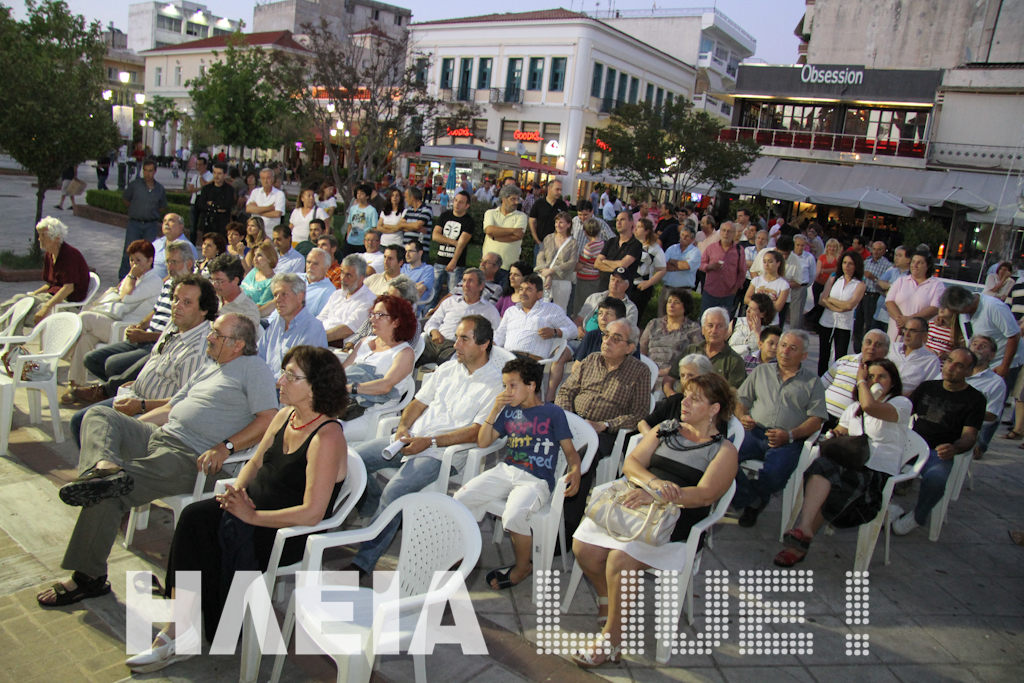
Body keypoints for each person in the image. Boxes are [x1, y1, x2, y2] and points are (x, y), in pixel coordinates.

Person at [126, 346, 348, 671]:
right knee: (195, 518)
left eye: (291, 376)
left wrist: (251, 516)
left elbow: (312, 512)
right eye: (283, 372)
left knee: (206, 532)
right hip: (251, 509)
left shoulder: (326, 438)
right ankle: (178, 628)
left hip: (285, 530)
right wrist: (237, 492)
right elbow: (256, 461)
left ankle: (187, 628)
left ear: (317, 387)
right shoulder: (286, 415)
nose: (280, 381)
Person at [36, 314, 278, 608]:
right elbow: (173, 408)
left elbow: (268, 419)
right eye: (212, 332)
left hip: (188, 455)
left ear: (238, 344)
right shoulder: (210, 365)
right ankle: (103, 469)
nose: (209, 337)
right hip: (160, 436)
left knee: (109, 492)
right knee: (99, 415)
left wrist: (226, 447)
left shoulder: (254, 370)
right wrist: (133, 426)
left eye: (217, 334)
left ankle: (88, 576)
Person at [570, 373, 738, 667]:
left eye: (695, 399)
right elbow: (632, 463)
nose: (684, 402)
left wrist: (663, 497)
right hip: (638, 507)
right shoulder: (665, 429)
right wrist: (654, 486)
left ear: (714, 409)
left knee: (620, 559)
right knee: (584, 547)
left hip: (675, 522)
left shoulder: (723, 451)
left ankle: (611, 639)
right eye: (686, 395)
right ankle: (607, 599)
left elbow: (705, 494)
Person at [349, 315, 505, 575]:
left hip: (441, 453)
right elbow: (417, 404)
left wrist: (429, 442)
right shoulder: (447, 369)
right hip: (412, 439)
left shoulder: (493, 383)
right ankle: (374, 509)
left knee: (395, 490)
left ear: (484, 344)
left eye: (464, 339)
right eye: (457, 338)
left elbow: (476, 432)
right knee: (352, 460)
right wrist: (402, 428)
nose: (456, 345)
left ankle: (362, 562)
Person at [457, 357, 581, 590]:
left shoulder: (552, 413)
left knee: (514, 515)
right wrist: (495, 408)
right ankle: (463, 552)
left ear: (532, 385)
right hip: (507, 470)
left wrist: (575, 470)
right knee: (462, 498)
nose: (507, 391)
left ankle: (523, 566)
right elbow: (483, 442)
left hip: (536, 479)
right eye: (505, 386)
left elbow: (570, 451)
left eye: (512, 385)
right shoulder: (508, 411)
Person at [773, 358, 910, 567]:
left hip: (876, 473)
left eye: (881, 376)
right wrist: (835, 433)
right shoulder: (854, 407)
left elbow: (870, 406)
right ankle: (805, 529)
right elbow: (844, 429)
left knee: (835, 485)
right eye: (870, 376)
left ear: (892, 381)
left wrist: (862, 382)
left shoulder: (900, 404)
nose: (875, 381)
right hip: (851, 466)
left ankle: (799, 543)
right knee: (821, 467)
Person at [69, 275, 218, 446]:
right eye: (175, 299)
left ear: (204, 309)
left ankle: (109, 467)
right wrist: (136, 383)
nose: (177, 306)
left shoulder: (198, 350)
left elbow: (183, 404)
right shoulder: (176, 324)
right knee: (81, 421)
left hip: (152, 415)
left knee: (83, 424)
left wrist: (140, 405)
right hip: (133, 396)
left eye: (187, 302)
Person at [556, 318, 651, 537]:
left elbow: (640, 413)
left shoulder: (639, 372)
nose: (607, 341)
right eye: (606, 335)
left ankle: (568, 526)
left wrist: (606, 425)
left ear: (630, 348)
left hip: (604, 433)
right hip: (573, 421)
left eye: (616, 338)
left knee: (581, 458)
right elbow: (565, 391)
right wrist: (567, 417)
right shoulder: (591, 360)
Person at [73, 242, 196, 404]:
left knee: (112, 364)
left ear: (188, 263)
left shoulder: (194, 290)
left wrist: (147, 336)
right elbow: (156, 311)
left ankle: (109, 392)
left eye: (174, 262)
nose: (170, 267)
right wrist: (140, 326)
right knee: (92, 359)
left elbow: (184, 333)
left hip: (162, 344)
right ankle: (117, 391)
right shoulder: (168, 284)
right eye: (168, 262)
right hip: (145, 336)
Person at [732, 329, 827, 527]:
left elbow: (816, 419)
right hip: (755, 431)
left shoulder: (812, 382)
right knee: (724, 456)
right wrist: (742, 416)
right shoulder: (762, 371)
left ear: (804, 355)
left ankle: (753, 498)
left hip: (788, 440)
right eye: (783, 346)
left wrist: (790, 435)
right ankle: (751, 499)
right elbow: (741, 399)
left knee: (775, 476)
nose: (785, 351)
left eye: (793, 348)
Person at [891, 348, 985, 536]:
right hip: (911, 445)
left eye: (959, 366)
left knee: (937, 479)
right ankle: (883, 506)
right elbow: (903, 412)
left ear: (969, 371)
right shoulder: (927, 387)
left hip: (939, 452)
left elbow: (969, 436)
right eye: (949, 361)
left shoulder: (975, 399)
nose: (950, 368)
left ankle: (917, 516)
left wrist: (955, 447)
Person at [65, 240, 162, 389]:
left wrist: (131, 276)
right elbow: (121, 291)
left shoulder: (154, 281)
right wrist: (131, 277)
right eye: (131, 260)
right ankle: (76, 384)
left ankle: (62, 351)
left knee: (84, 318)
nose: (134, 264)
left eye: (138, 260)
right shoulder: (136, 277)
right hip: (114, 320)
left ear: (150, 260)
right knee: (86, 338)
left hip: (126, 328)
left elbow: (126, 297)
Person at [340, 295, 416, 443]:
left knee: (321, 430)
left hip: (372, 413)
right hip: (344, 405)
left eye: (380, 315)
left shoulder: (404, 353)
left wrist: (351, 388)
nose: (372, 319)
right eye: (372, 314)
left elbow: (385, 386)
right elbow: (342, 373)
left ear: (396, 321)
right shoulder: (364, 343)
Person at [0, 217, 89, 331]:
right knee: (18, 300)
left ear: (56, 238)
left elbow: (68, 288)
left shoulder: (70, 255)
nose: (39, 239)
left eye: (43, 235)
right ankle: (7, 341)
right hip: (50, 298)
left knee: (20, 311)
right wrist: (33, 295)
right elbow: (50, 284)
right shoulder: (49, 254)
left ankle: (10, 343)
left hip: (66, 305)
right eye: (39, 235)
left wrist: (46, 307)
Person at [940, 284, 1021, 383]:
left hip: (1003, 363)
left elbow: (1014, 336)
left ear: (965, 306)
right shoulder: (964, 312)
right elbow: (969, 338)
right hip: (980, 365)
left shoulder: (994, 307)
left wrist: (1004, 366)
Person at [420, 269, 501, 366]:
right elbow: (432, 321)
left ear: (481, 286)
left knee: (449, 367)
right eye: (464, 280)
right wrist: (434, 331)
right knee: (409, 358)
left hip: (457, 348)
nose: (466, 285)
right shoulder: (450, 301)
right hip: (434, 342)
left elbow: (497, 333)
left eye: (470, 281)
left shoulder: (489, 310)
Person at [258, 273, 328, 379]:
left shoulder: (312, 328)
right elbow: (258, 355)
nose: (278, 299)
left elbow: (297, 375)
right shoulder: (277, 323)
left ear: (300, 297)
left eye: (284, 294)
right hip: (266, 385)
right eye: (275, 295)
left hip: (289, 391)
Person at [666, 307, 747, 393]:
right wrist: (671, 395)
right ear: (703, 330)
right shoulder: (691, 350)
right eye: (710, 325)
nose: (714, 330)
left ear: (726, 330)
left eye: (719, 326)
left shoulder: (734, 361)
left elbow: (733, 396)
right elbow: (670, 378)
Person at [822, 330, 891, 429]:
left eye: (878, 345)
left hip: (849, 425)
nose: (872, 347)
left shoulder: (886, 374)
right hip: (821, 415)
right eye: (868, 342)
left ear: (886, 351)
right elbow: (820, 386)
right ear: (862, 345)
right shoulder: (845, 360)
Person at [817, 251, 867, 375]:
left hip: (844, 325)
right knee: (824, 354)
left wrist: (832, 300)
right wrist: (838, 307)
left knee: (840, 356)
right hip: (827, 321)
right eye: (844, 263)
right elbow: (822, 299)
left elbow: (850, 305)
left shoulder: (860, 285)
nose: (847, 266)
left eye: (850, 264)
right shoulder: (834, 278)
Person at [637, 353, 714, 434]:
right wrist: (652, 440)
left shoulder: (712, 405)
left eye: (690, 375)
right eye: (682, 375)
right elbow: (643, 423)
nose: (685, 380)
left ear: (705, 377)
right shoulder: (675, 400)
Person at [639, 287, 703, 381]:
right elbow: (642, 350)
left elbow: (696, 356)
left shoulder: (692, 328)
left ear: (685, 306)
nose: (671, 305)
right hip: (649, 372)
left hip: (674, 376)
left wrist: (667, 372)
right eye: (669, 302)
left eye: (676, 302)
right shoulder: (653, 324)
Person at [120, 159, 167, 279]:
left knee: (147, 253)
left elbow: (162, 206)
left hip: (150, 225)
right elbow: (126, 199)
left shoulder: (159, 188)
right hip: (134, 224)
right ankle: (123, 278)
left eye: (150, 171)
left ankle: (144, 278)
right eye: (145, 171)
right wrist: (136, 209)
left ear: (155, 171)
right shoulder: (135, 185)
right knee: (129, 251)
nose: (147, 174)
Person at [317, 254, 376, 347]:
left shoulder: (368, 301)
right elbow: (320, 319)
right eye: (342, 273)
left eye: (348, 275)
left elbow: (347, 330)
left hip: (339, 346)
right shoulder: (337, 294)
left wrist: (316, 337)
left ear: (361, 278)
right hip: (321, 339)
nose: (343, 278)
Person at [885, 250, 944, 340]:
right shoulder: (901, 281)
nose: (915, 266)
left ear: (927, 265)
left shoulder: (937, 285)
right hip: (896, 334)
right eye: (913, 262)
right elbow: (889, 301)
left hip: (919, 336)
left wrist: (910, 320)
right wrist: (900, 320)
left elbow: (934, 308)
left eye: (919, 263)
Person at [964, 335, 1007, 459]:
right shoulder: (953, 370)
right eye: (974, 344)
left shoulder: (995, 382)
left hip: (970, 431)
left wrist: (961, 412)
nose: (977, 347)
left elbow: (992, 415)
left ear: (992, 355)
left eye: (983, 346)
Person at [573, 268, 638, 338]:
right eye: (613, 280)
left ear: (626, 286)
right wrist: (578, 329)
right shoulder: (594, 297)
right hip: (583, 339)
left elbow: (627, 333)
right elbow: (579, 320)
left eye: (619, 281)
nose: (615, 284)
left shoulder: (630, 309)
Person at [535, 211, 578, 311]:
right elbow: (540, 256)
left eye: (561, 222)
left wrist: (553, 270)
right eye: (556, 222)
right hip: (545, 279)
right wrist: (547, 274)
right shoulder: (548, 238)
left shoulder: (572, 242)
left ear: (568, 225)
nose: (558, 225)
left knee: (560, 310)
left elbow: (571, 262)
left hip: (562, 280)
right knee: (541, 307)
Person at [888, 316, 941, 395]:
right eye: (905, 329)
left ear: (924, 335)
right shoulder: (892, 348)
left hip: (906, 401)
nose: (907, 334)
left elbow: (927, 389)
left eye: (913, 331)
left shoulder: (931, 360)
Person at [483, 184, 528, 274]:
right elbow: (489, 230)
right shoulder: (490, 213)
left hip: (509, 266)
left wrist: (495, 237)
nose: (516, 202)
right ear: (503, 199)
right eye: (513, 199)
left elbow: (518, 236)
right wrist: (512, 230)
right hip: (488, 264)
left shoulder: (521, 216)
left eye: (517, 199)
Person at [208, 253, 260, 328]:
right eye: (212, 280)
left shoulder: (248, 311)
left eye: (219, 281)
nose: (214, 285)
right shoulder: (211, 299)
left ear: (235, 281)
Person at [595, 211, 642, 292]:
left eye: (622, 220)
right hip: (602, 288)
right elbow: (596, 264)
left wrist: (605, 261)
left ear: (631, 222)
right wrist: (617, 271)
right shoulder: (611, 241)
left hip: (621, 292)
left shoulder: (635, 245)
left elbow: (623, 264)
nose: (618, 223)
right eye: (617, 220)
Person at [573, 297, 628, 363]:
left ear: (620, 319)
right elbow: (576, 366)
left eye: (608, 314)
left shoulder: (628, 341)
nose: (603, 318)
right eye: (600, 313)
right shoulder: (591, 336)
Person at [573, 216, 610, 311]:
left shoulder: (589, 247)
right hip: (596, 277)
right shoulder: (602, 243)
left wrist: (571, 268)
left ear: (586, 232)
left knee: (581, 304)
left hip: (585, 279)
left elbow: (581, 264)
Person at [632, 217, 667, 316]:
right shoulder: (632, 244)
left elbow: (662, 269)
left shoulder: (654, 248)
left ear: (646, 231)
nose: (636, 229)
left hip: (641, 288)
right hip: (628, 285)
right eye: (636, 226)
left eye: (639, 227)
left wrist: (648, 283)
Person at [745, 249, 789, 325]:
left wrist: (757, 305)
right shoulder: (756, 280)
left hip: (771, 322)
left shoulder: (783, 284)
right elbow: (746, 299)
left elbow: (778, 307)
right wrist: (767, 304)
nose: (766, 264)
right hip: (753, 320)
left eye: (770, 261)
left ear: (778, 263)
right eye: (764, 262)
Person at [872, 245, 910, 332]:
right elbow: (878, 283)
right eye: (896, 255)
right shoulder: (892, 271)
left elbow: (900, 293)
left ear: (908, 259)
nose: (896, 258)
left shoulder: (909, 277)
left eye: (900, 256)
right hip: (879, 314)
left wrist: (889, 286)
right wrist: (890, 289)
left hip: (893, 318)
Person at [662, 225, 701, 307]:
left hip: (684, 291)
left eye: (687, 236)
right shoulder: (672, 248)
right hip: (667, 289)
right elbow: (664, 265)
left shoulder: (695, 252)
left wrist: (672, 260)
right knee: (662, 316)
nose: (683, 238)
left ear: (692, 239)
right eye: (682, 235)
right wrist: (680, 266)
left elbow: (687, 266)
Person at [194, 162, 235, 239]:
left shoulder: (229, 190)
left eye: (219, 173)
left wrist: (211, 204)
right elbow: (201, 205)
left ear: (225, 175)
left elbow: (227, 205)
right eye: (215, 173)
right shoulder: (206, 188)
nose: (216, 176)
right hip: (208, 223)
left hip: (222, 224)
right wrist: (217, 208)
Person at [151, 213, 198, 279]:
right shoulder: (156, 243)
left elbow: (188, 273)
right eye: (164, 221)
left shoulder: (187, 247)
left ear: (181, 226)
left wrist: (161, 284)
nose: (166, 223)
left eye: (171, 221)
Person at [729, 292, 775, 357]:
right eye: (748, 307)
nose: (748, 311)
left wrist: (757, 332)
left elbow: (766, 353)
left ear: (762, 314)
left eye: (752, 309)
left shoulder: (768, 331)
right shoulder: (736, 322)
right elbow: (721, 341)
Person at [808, 237, 842, 327]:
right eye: (830, 246)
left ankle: (820, 325)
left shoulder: (839, 258)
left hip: (831, 285)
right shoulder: (822, 257)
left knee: (825, 306)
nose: (831, 249)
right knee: (817, 305)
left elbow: (837, 270)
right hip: (819, 283)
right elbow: (818, 270)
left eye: (834, 247)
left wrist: (825, 270)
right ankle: (814, 324)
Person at [528, 179, 568, 250]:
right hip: (540, 244)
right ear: (549, 188)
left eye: (561, 190)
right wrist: (537, 240)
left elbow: (566, 224)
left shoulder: (562, 205)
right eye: (557, 189)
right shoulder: (539, 203)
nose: (559, 192)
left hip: (557, 245)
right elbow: (531, 221)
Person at [246, 168, 286, 237]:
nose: (265, 181)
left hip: (271, 233)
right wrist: (269, 208)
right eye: (263, 178)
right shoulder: (255, 192)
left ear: (273, 179)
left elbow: (277, 214)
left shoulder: (279, 194)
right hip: (255, 233)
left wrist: (257, 210)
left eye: (268, 178)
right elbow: (248, 209)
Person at [240, 242, 277, 313]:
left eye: (259, 255)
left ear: (269, 258)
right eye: (254, 255)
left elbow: (259, 307)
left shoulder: (272, 281)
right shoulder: (253, 271)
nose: (255, 258)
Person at [395, 185, 433, 252]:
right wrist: (415, 228)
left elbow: (417, 225)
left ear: (412, 197)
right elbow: (399, 226)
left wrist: (408, 226)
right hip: (406, 249)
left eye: (406, 197)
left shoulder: (426, 209)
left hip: (419, 251)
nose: (405, 200)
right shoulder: (409, 210)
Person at [301, 248, 337, 317]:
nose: (310, 266)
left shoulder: (329, 291)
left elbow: (320, 320)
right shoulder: (295, 278)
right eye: (308, 262)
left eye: (315, 264)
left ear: (326, 268)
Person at [401, 240, 435, 311]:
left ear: (420, 253)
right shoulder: (403, 267)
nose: (407, 254)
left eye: (410, 251)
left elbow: (419, 291)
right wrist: (414, 285)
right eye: (406, 251)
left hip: (413, 308)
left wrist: (403, 287)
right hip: (397, 303)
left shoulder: (428, 269)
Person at [185, 156, 213, 240]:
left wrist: (201, 179)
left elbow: (206, 186)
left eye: (200, 165)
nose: (198, 167)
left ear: (205, 165)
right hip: (194, 201)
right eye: (197, 165)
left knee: (204, 224)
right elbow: (190, 189)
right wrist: (199, 188)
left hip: (204, 202)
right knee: (193, 225)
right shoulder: (195, 176)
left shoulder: (210, 176)